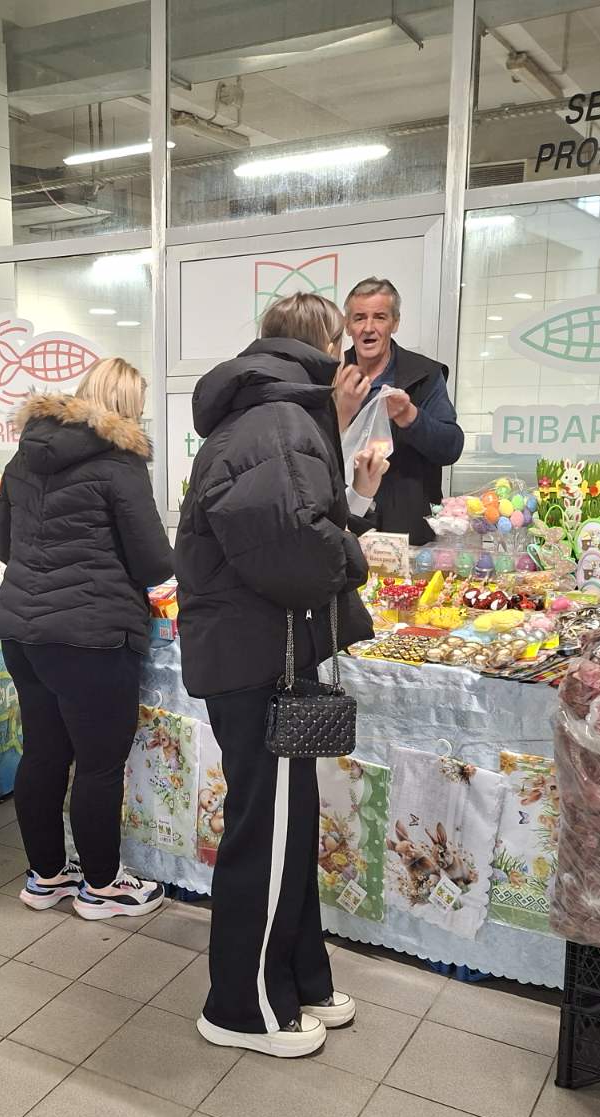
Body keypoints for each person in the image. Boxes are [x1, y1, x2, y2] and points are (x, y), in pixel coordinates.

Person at [175, 293, 380, 1058]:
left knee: (287, 828)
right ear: (324, 346)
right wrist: (354, 548)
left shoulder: (272, 417)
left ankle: (301, 980)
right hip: (255, 659)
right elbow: (296, 553)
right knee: (265, 833)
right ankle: (241, 1007)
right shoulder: (280, 422)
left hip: (256, 652)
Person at [0, 357, 174, 920]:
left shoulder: (25, 456)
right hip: (92, 637)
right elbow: (151, 563)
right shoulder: (121, 465)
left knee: (43, 753)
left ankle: (46, 877)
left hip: (22, 631)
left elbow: (3, 547)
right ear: (126, 409)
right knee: (98, 764)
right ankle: (102, 886)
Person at [335, 277, 463, 544]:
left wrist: (411, 417)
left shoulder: (424, 376)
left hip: (406, 532)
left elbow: (451, 447)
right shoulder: (329, 376)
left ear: (395, 323)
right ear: (347, 326)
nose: (368, 328)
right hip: (341, 528)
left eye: (379, 317)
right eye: (359, 318)